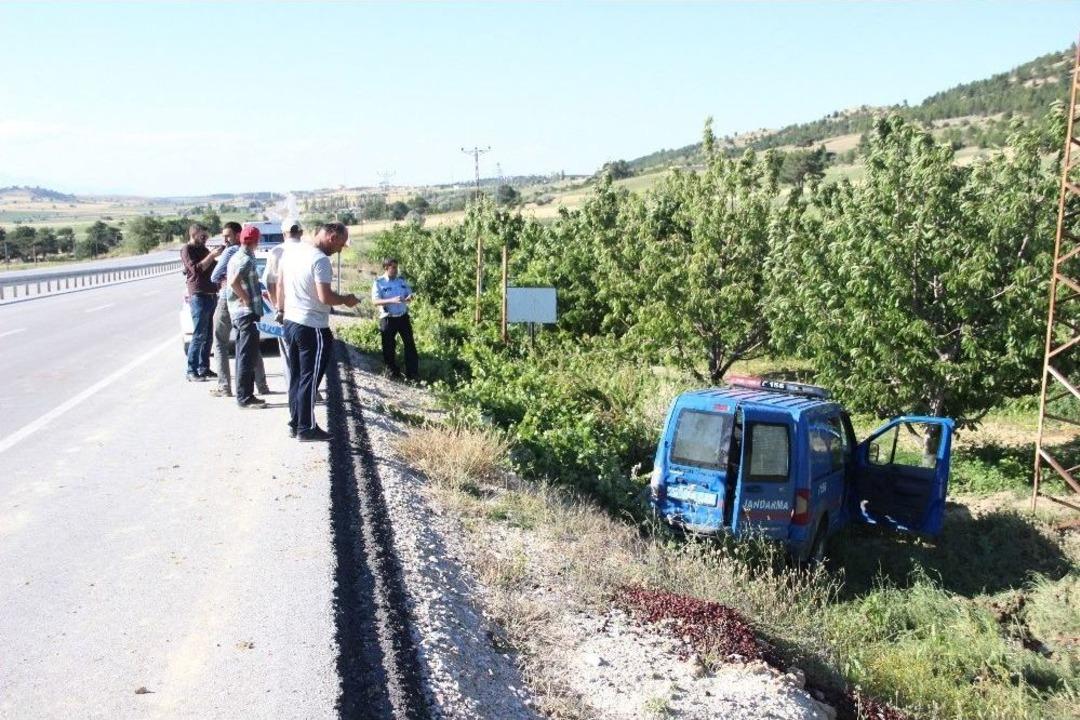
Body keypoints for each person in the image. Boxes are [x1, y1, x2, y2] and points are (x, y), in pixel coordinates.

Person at [278, 222, 359, 441]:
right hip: (312, 326)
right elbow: (325, 297)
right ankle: (307, 428)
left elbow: (280, 284)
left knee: (296, 377)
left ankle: (296, 422)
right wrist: (346, 300)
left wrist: (280, 309)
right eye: (340, 244)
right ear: (332, 237)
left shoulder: (293, 252)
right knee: (310, 379)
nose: (340, 250)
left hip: (291, 321)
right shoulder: (320, 260)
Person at [210, 222, 269, 398]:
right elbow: (233, 280)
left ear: (238, 236)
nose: (225, 240)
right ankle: (260, 385)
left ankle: (225, 386)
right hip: (241, 305)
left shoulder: (232, 253)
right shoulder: (246, 255)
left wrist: (244, 296)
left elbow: (215, 276)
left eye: (227, 236)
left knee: (224, 343)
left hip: (230, 302)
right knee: (248, 347)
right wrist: (246, 297)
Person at [226, 225, 267, 408]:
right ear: (256, 241)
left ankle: (245, 395)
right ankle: (244, 398)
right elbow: (234, 282)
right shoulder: (246, 260)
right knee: (246, 356)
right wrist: (246, 298)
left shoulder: (236, 256)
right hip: (246, 313)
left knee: (243, 355)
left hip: (239, 313)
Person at [179, 223, 223, 382]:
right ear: (194, 234)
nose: (205, 238)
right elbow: (196, 269)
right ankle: (191, 370)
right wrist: (211, 256)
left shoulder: (203, 249)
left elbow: (213, 267)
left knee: (208, 335)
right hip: (198, 295)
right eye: (202, 235)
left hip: (211, 294)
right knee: (199, 335)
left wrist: (220, 256)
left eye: (206, 236)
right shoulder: (187, 249)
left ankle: (203, 368)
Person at [265, 217, 303, 388]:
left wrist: (277, 306)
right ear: (301, 233)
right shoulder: (308, 250)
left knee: (288, 352)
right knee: (305, 351)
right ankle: (309, 389)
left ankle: (293, 390)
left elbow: (271, 283)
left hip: (285, 309)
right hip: (304, 309)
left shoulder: (276, 252)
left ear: (283, 234)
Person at [371, 257, 419, 381]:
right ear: (386, 268)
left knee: (410, 344)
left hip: (403, 317)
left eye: (397, 267)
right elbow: (375, 301)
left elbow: (409, 293)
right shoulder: (379, 282)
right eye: (393, 267)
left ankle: (412, 374)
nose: (396, 270)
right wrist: (391, 300)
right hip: (388, 318)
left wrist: (410, 297)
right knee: (389, 347)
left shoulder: (401, 281)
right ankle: (392, 372)